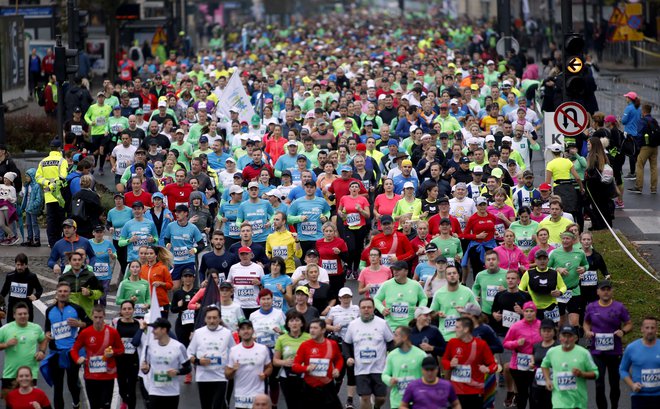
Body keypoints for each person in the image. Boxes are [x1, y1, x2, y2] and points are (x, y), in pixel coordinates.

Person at [583, 280, 633, 409]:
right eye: (603, 289)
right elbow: (586, 322)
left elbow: (629, 323)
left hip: (614, 352)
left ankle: (614, 406)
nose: (606, 292)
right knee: (599, 385)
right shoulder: (592, 307)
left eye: (608, 289)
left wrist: (623, 331)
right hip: (597, 352)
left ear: (612, 291)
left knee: (614, 384)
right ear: (598, 292)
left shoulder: (619, 307)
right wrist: (587, 331)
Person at [44, 282, 90, 409]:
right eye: (60, 291)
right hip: (56, 352)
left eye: (65, 291)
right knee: (57, 386)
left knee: (72, 384)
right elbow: (47, 326)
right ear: (56, 293)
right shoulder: (49, 310)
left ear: (69, 294)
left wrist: (80, 324)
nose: (63, 293)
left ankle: (76, 402)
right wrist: (47, 333)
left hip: (72, 352)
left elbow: (89, 323)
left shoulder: (76, 309)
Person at [343, 298, 394, 409]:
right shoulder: (353, 325)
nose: (366, 310)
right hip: (361, 368)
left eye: (369, 307)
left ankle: (376, 407)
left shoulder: (382, 323)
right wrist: (348, 357)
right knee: (365, 397)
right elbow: (346, 343)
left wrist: (391, 356)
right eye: (363, 307)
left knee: (381, 398)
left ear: (373, 308)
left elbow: (391, 342)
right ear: (359, 309)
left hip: (379, 368)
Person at [71, 305, 125, 409]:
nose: (98, 320)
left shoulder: (112, 332)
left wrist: (112, 352)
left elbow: (121, 350)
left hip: (107, 376)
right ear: (92, 316)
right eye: (95, 317)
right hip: (91, 376)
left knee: (105, 406)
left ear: (104, 316)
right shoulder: (85, 333)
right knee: (94, 406)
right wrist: (77, 359)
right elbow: (74, 349)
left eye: (100, 317)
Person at [441, 317, 498, 408]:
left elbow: (494, 365)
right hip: (456, 390)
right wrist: (450, 364)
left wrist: (488, 369)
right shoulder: (452, 342)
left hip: (475, 391)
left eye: (457, 327)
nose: (454, 329)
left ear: (466, 329)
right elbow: (444, 360)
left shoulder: (481, 344)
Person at [187, 305, 235, 409]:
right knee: (206, 406)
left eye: (214, 318)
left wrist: (230, 367)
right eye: (209, 318)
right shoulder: (198, 333)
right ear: (205, 319)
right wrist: (198, 361)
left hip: (221, 377)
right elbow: (189, 353)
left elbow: (234, 351)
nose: (212, 321)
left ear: (219, 319)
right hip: (203, 377)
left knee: (218, 406)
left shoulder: (227, 333)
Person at [541, 325, 599, 409]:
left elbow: (595, 373)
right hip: (559, 402)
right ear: (559, 337)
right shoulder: (552, 352)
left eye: (569, 336)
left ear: (575, 338)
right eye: (564, 336)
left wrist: (582, 374)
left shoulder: (584, 353)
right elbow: (544, 365)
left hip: (578, 402)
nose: (566, 339)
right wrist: (547, 380)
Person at [140, 317, 192, 409]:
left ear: (164, 330)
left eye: (155, 329)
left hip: (172, 392)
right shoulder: (150, 346)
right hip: (154, 391)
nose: (152, 331)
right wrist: (145, 369)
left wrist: (177, 372)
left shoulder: (178, 347)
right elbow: (146, 368)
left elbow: (188, 368)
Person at [292, 319, 344, 409]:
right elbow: (295, 366)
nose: (312, 330)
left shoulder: (332, 344)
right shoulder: (305, 345)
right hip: (309, 387)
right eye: (311, 328)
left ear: (323, 330)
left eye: (315, 328)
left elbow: (339, 359)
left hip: (327, 386)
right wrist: (306, 368)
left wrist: (337, 369)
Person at [0, 302, 47, 399]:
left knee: (29, 403)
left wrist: (41, 352)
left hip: (29, 375)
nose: (23, 316)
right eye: (20, 314)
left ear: (28, 314)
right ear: (14, 315)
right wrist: (6, 344)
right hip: (10, 374)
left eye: (25, 314)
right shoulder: (5, 329)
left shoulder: (36, 328)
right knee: (10, 403)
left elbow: (43, 340)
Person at [325, 287, 360, 408]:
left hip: (353, 343)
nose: (346, 300)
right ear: (339, 298)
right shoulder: (334, 310)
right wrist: (334, 328)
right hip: (338, 342)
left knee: (352, 370)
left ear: (351, 298)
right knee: (339, 371)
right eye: (343, 297)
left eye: (348, 297)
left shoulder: (356, 309)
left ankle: (349, 400)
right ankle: (338, 383)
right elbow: (326, 325)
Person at [503, 301, 542, 409]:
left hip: (535, 364)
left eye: (531, 311)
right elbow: (506, 343)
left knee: (535, 393)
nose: (529, 313)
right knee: (522, 394)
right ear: (523, 312)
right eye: (526, 311)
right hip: (518, 365)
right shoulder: (516, 326)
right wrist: (516, 343)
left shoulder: (541, 325)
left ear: (535, 312)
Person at [226, 319, 273, 409]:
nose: (246, 331)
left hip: (259, 395)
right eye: (243, 329)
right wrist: (233, 370)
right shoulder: (233, 350)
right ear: (239, 332)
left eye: (248, 328)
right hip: (241, 397)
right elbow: (227, 375)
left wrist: (265, 374)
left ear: (253, 331)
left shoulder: (263, 349)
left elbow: (269, 367)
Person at [548, 231, 589, 329]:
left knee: (574, 322)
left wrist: (584, 269)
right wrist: (557, 269)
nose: (565, 241)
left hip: (574, 290)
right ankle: (557, 342)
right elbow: (546, 269)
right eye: (563, 238)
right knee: (559, 323)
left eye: (567, 238)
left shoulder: (580, 253)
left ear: (573, 240)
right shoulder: (555, 253)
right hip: (559, 292)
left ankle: (575, 342)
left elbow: (586, 264)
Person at [619, 316, 660, 409]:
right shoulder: (632, 348)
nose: (650, 331)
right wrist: (632, 384)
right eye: (647, 327)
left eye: (652, 328)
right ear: (642, 329)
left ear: (656, 329)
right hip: (639, 396)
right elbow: (622, 369)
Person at [373, 261, 427, 331]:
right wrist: (382, 309)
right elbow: (376, 299)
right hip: (391, 327)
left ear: (406, 271)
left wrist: (420, 309)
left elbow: (424, 298)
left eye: (398, 270)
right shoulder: (386, 285)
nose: (395, 272)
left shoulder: (415, 285)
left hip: (410, 326)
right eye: (394, 269)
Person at [381, 326, 426, 409]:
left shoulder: (421, 355)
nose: (393, 338)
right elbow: (384, 374)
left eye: (396, 335)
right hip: (398, 402)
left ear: (405, 337)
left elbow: (428, 377)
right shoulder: (391, 355)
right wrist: (390, 380)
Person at [273, 311, 311, 409]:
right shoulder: (281, 339)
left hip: (304, 375)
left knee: (304, 404)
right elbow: (275, 361)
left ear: (302, 323)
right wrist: (284, 362)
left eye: (297, 320)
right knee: (291, 404)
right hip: (287, 376)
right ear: (287, 324)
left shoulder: (309, 337)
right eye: (291, 320)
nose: (294, 323)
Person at [35, 138, 68, 248]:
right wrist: (54, 184)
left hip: (48, 196)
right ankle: (61, 242)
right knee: (61, 220)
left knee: (51, 220)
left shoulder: (43, 161)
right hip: (59, 196)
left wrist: (47, 183)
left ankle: (52, 242)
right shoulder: (62, 161)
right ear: (59, 149)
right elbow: (63, 176)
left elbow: (38, 177)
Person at [163, 204, 204, 290]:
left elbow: (201, 244)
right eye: (175, 212)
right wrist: (167, 244)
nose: (176, 214)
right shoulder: (171, 226)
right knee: (175, 286)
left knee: (188, 285)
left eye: (179, 212)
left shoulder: (193, 228)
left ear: (186, 213)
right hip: (175, 261)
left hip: (189, 261)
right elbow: (166, 239)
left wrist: (195, 249)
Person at [430, 265, 477, 340]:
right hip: (445, 337)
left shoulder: (467, 291)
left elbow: (478, 311)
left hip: (463, 336)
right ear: (445, 277)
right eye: (449, 274)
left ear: (458, 275)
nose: (452, 275)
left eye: (454, 273)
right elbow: (431, 314)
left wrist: (465, 310)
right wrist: (437, 313)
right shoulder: (438, 293)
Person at [57, 250, 104, 316]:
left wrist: (90, 293)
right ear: (69, 262)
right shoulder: (64, 277)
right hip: (69, 314)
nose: (77, 262)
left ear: (82, 261)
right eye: (74, 260)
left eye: (79, 260)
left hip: (86, 315)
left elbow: (100, 292)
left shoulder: (90, 276)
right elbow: (59, 294)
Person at [113, 301, 141, 409]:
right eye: (124, 309)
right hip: (120, 360)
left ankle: (130, 406)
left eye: (129, 309)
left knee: (132, 387)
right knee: (122, 386)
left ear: (133, 310)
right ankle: (124, 400)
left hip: (133, 360)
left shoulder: (139, 323)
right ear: (121, 311)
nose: (127, 311)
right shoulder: (116, 322)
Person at [1, 253, 43, 323]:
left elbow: (40, 289)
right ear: (15, 264)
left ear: (26, 265)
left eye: (22, 265)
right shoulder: (10, 276)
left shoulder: (32, 277)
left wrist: (36, 295)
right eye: (18, 265)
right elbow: (3, 292)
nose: (19, 267)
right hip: (12, 310)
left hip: (26, 310)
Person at [227, 246, 265, 317]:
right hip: (238, 305)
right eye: (242, 254)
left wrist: (259, 283)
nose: (244, 256)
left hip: (254, 305)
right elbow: (228, 283)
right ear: (239, 256)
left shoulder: (258, 268)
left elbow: (265, 285)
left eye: (246, 254)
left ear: (251, 255)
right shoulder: (233, 268)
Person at [530, 319, 559, 409]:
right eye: (544, 331)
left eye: (549, 331)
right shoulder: (536, 346)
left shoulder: (558, 347)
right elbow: (532, 356)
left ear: (554, 332)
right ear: (540, 332)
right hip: (537, 384)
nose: (546, 333)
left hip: (552, 384)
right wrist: (532, 363)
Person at [629, 104, 658, 194]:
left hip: (645, 147)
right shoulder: (654, 120)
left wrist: (638, 146)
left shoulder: (643, 121)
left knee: (640, 165)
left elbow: (640, 134)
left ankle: (638, 187)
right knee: (653, 167)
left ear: (644, 111)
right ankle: (653, 188)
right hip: (655, 146)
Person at [472, 250, 508, 319]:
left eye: (493, 259)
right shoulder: (480, 275)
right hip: (486, 313)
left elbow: (516, 290)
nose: (491, 261)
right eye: (488, 260)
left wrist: (506, 290)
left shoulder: (506, 274)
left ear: (498, 261)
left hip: (502, 313)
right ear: (485, 262)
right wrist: (475, 295)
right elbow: (475, 287)